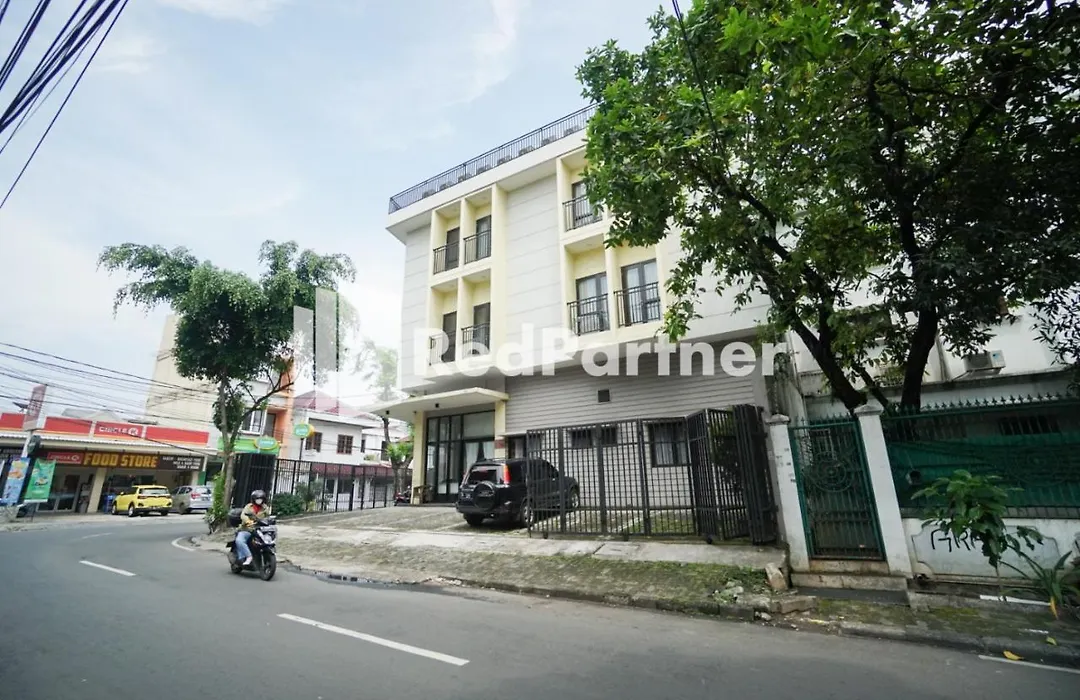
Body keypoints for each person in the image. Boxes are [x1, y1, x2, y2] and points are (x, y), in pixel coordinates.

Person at [234, 489, 271, 566]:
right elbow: (243, 515)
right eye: (257, 499)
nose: (259, 500)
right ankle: (248, 556)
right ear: (253, 499)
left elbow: (268, 517)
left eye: (261, 499)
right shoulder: (248, 507)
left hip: (260, 530)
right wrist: (248, 521)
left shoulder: (265, 508)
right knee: (239, 540)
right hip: (247, 529)